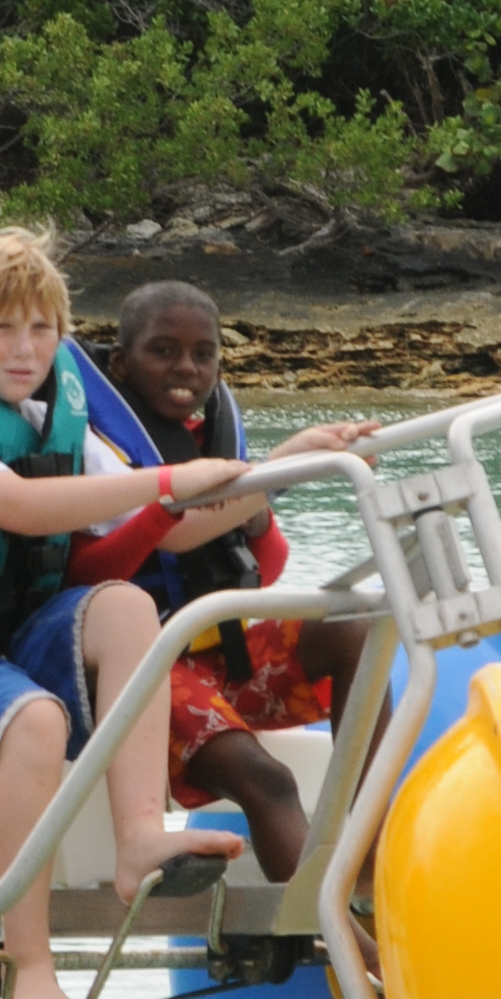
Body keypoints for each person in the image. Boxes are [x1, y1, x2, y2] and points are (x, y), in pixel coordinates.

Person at [0, 229, 370, 999]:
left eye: (42, 329)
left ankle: (140, 838)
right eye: (2, 329)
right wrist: (167, 479)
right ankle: (31, 964)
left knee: (122, 607)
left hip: (8, 658)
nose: (26, 349)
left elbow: (176, 529)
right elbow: (19, 507)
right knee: (34, 717)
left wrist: (289, 464)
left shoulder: (56, 424)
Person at [93, 279, 376, 883]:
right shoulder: (102, 454)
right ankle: (329, 929)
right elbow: (157, 542)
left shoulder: (215, 443)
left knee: (355, 628)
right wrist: (278, 471)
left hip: (223, 659)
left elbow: (264, 569)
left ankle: (375, 867)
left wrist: (259, 501)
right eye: (163, 351)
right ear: (120, 363)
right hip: (145, 674)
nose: (186, 368)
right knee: (268, 780)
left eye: (204, 354)